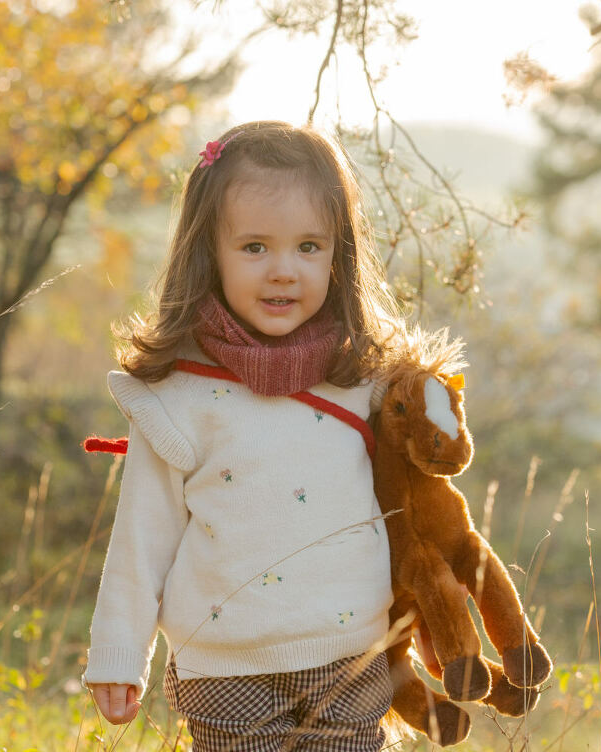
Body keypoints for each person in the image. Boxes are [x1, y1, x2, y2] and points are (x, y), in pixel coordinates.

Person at [84, 120, 408, 749]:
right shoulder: (179, 396)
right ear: (210, 252)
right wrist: (120, 653)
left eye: (309, 247)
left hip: (350, 653)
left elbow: (415, 505)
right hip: (226, 660)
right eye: (255, 247)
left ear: (339, 255)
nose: (283, 271)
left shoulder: (364, 379)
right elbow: (142, 534)